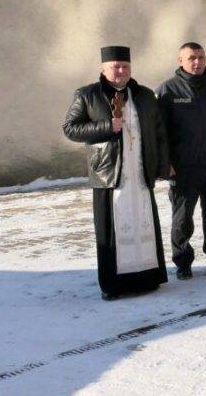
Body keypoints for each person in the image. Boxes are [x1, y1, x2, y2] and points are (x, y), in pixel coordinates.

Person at [62, 46, 169, 301]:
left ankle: (147, 278)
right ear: (103, 69)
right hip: (109, 172)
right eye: (115, 66)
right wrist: (106, 126)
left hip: (140, 171)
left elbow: (159, 132)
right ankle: (114, 285)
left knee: (143, 224)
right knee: (112, 230)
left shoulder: (143, 95)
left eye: (125, 66)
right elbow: (70, 128)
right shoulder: (88, 94)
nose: (121, 71)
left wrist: (163, 165)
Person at [156, 42, 206, 280]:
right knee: (182, 218)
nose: (197, 62)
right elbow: (159, 132)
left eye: (201, 57)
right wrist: (165, 162)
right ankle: (183, 262)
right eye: (191, 57)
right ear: (180, 60)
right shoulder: (168, 91)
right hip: (183, 168)